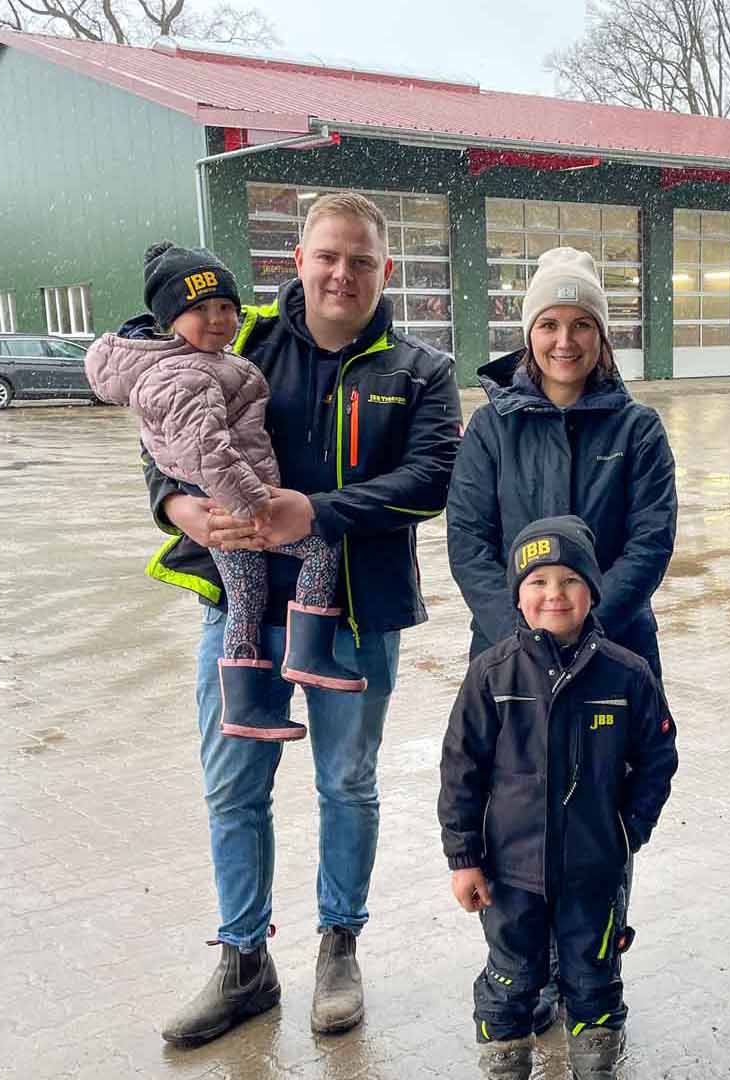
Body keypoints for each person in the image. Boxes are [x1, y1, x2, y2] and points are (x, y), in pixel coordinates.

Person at [142, 193, 462, 1045]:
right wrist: (178, 508)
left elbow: (435, 477)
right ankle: (244, 962)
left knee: (346, 785)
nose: (342, 274)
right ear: (299, 260)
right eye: (328, 255)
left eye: (361, 260)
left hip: (356, 613)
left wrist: (317, 511)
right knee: (234, 789)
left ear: (384, 271)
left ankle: (338, 949)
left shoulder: (419, 370)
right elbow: (160, 427)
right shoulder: (234, 339)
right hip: (239, 609)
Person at [88, 242, 364, 744]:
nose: (219, 319)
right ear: (171, 319)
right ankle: (300, 660)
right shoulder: (188, 372)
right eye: (200, 310)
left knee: (246, 597)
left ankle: (247, 701)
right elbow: (201, 450)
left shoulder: (205, 360)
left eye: (226, 307)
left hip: (228, 504)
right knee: (309, 558)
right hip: (233, 508)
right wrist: (241, 506)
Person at [438, 516, 679, 1080]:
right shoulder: (491, 675)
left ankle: (595, 1057)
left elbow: (658, 758)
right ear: (517, 595)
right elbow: (460, 771)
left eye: (569, 580)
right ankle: (504, 1057)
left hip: (594, 872)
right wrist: (463, 858)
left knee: (594, 976)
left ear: (592, 590)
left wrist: (628, 829)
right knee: (510, 976)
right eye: (537, 582)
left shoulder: (627, 674)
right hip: (509, 874)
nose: (554, 595)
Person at [446, 245, 677, 681]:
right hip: (509, 651)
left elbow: (650, 543)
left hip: (616, 645)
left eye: (582, 325)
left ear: (602, 335)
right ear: (530, 333)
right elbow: (469, 541)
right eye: (549, 324)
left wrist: (586, 630)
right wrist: (522, 636)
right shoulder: (490, 429)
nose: (565, 341)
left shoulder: (639, 430)